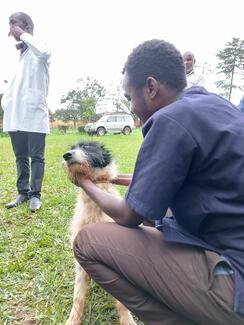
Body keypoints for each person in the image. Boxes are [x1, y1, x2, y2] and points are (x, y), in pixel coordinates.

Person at [71, 39, 244, 324]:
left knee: (87, 241)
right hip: (229, 240)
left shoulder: (169, 120)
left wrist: (85, 183)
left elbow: (130, 215)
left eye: (129, 97)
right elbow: (160, 182)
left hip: (235, 282)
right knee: (160, 217)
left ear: (151, 88)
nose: (131, 107)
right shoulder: (213, 104)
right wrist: (110, 178)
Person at [2, 12, 51, 212]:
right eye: (9, 24)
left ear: (27, 27)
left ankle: (35, 195)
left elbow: (44, 52)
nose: (10, 27)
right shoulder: (19, 58)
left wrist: (21, 34)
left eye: (14, 23)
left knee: (36, 157)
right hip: (15, 116)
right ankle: (22, 192)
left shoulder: (40, 51)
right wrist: (6, 104)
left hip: (34, 115)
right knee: (20, 156)